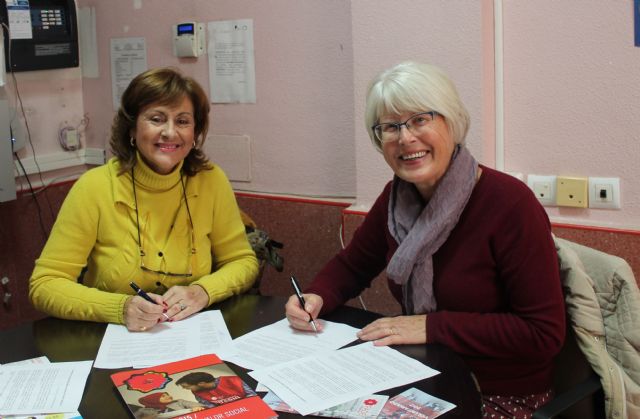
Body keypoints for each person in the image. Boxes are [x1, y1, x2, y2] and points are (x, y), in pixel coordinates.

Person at [285, 62, 566, 418]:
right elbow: (353, 264)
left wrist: (431, 326)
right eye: (391, 126)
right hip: (422, 372)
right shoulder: (396, 197)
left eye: (420, 119)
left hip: (498, 393)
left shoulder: (511, 204)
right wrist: (316, 296)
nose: (405, 138)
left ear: (452, 122)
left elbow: (542, 333)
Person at [29, 67, 259, 332]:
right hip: (112, 341)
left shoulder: (210, 180)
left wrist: (202, 291)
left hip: (193, 337)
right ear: (132, 128)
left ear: (195, 133)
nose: (170, 133)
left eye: (183, 121)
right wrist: (120, 308)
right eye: (157, 119)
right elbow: (44, 284)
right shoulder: (94, 187)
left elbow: (243, 261)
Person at [176, 371, 257, 407]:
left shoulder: (234, 380)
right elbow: (210, 406)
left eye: (186, 386)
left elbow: (253, 396)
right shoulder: (197, 392)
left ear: (201, 383)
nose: (185, 389)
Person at [138, 392, 205, 413]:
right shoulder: (145, 410)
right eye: (163, 396)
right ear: (153, 400)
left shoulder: (178, 401)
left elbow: (199, 405)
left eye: (168, 395)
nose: (169, 396)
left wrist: (197, 408)